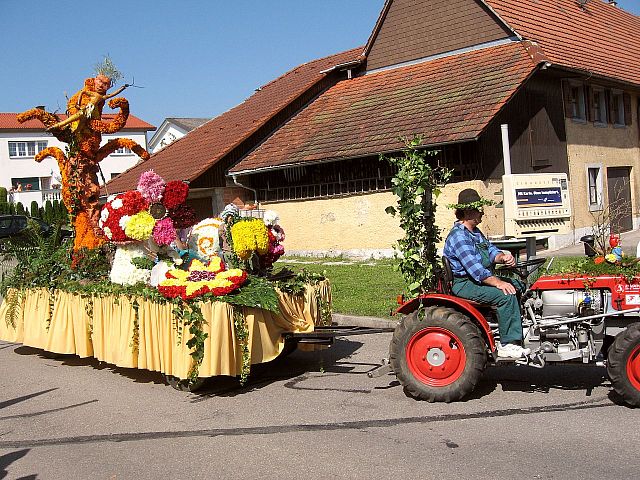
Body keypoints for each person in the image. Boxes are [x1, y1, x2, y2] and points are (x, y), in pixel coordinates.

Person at [443, 188, 530, 359]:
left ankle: (519, 327)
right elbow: (476, 270)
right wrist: (498, 283)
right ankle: (508, 344)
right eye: (478, 209)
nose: (482, 213)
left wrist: (503, 257)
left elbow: (491, 251)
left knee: (518, 285)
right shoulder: (459, 237)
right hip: (465, 283)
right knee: (505, 294)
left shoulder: (475, 232)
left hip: (477, 279)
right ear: (468, 212)